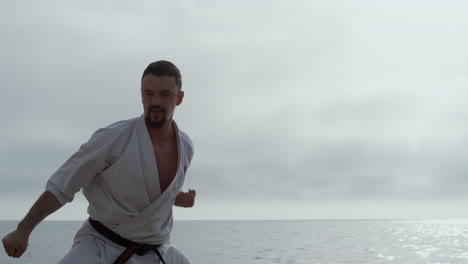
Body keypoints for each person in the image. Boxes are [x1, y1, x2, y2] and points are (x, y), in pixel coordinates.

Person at [2, 60, 196, 264]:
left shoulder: (186, 147)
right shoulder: (114, 138)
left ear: (179, 98)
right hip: (101, 248)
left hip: (157, 253)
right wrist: (23, 230)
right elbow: (64, 183)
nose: (155, 101)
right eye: (148, 93)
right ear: (141, 95)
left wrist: (176, 196)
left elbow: (149, 191)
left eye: (164, 94)